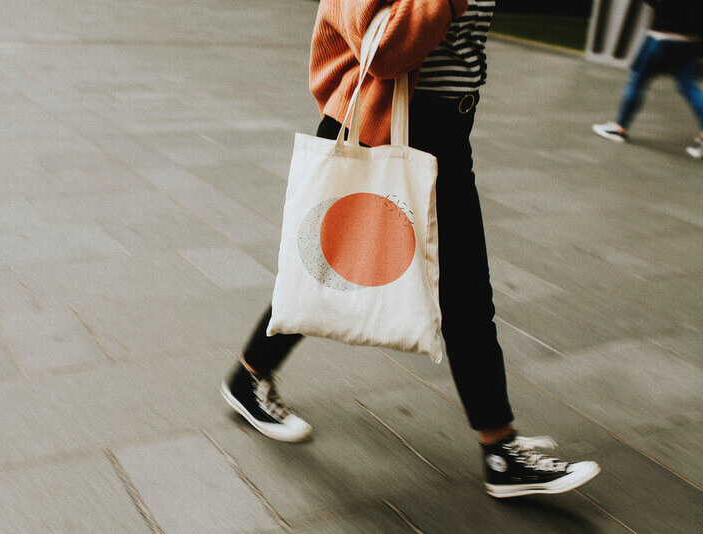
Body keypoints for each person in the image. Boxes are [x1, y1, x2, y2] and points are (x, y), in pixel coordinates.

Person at [221, 0, 600, 498]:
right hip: (379, 127)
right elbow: (383, 49)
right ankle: (500, 450)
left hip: (446, 129)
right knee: (339, 272)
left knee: (455, 288)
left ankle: (500, 448)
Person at [593, 0, 703, 159]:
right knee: (690, 88)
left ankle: (619, 128)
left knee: (637, 81)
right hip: (687, 42)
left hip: (659, 39)